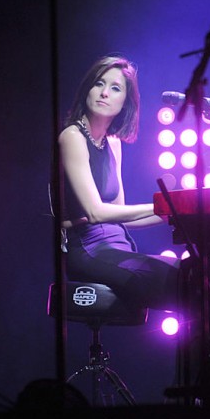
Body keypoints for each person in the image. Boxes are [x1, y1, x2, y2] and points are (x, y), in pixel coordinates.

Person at [58, 55, 179, 310]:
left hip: (118, 244)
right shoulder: (71, 137)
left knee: (196, 273)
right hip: (87, 249)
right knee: (172, 281)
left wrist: (179, 211)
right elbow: (95, 213)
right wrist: (165, 205)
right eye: (98, 84)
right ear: (87, 90)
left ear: (125, 102)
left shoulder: (114, 144)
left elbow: (121, 216)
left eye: (115, 88)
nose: (104, 93)